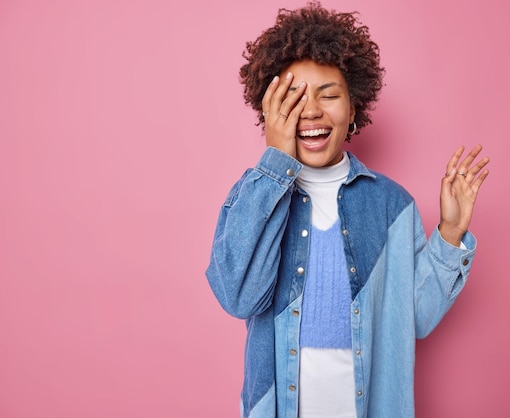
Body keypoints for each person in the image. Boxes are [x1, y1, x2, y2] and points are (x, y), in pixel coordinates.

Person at [206, 2, 489, 417]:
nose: (312, 111)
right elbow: (237, 297)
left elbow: (417, 319)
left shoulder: (392, 205)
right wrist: (274, 165)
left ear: (353, 108)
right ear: (269, 111)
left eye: (329, 95)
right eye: (293, 98)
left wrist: (448, 235)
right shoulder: (255, 195)